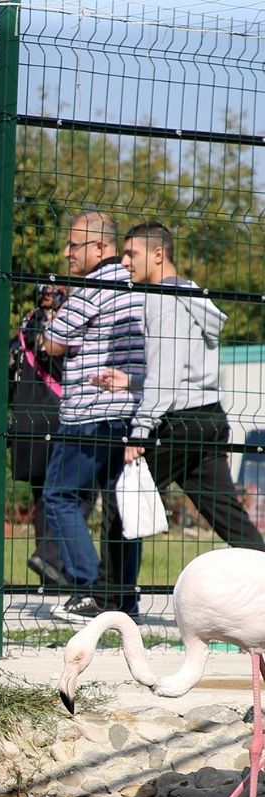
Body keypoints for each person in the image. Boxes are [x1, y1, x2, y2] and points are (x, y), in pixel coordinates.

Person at [92, 221, 265, 551]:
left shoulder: (163, 299)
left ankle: (108, 597)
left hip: (180, 422)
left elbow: (167, 378)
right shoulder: (188, 293)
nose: (125, 261)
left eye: (132, 253)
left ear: (158, 254)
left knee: (122, 501)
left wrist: (140, 430)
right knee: (229, 518)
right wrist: (131, 382)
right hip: (209, 418)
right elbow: (180, 371)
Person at [41, 210, 146, 624]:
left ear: (101, 247)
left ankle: (88, 590)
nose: (67, 252)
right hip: (129, 415)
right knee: (121, 511)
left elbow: (52, 342)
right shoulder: (137, 288)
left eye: (75, 244)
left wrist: (59, 333)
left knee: (59, 495)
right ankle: (124, 598)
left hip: (89, 413)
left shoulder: (90, 288)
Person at [10, 283, 71, 587]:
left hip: (24, 420)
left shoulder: (23, 330)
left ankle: (49, 568)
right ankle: (52, 560)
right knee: (64, 493)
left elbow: (10, 374)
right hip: (54, 417)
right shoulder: (62, 327)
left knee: (42, 494)